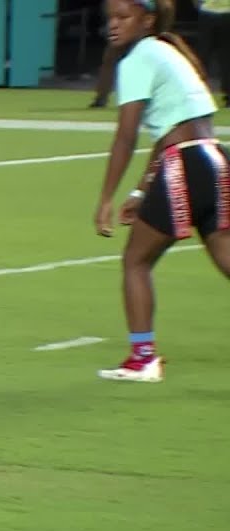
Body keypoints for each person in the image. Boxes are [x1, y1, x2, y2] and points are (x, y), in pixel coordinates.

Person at [94, 0, 230, 382]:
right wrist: (141, 192)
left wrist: (106, 198)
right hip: (216, 159)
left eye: (123, 17)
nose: (114, 25)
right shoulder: (170, 52)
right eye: (110, 18)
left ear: (147, 19)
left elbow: (126, 137)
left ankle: (143, 359)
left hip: (185, 164)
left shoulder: (137, 59)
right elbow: (175, 129)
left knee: (135, 262)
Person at [196, 0, 230, 107]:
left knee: (203, 56)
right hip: (226, 12)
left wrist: (199, 6)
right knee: (226, 57)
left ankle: (198, 93)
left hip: (207, 12)